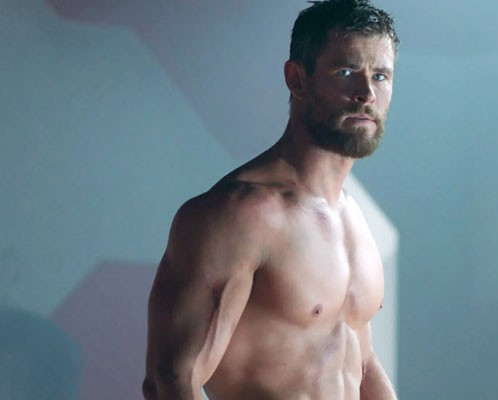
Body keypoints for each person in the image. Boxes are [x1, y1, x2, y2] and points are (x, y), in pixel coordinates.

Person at [142, 0, 399, 399]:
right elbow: (171, 381)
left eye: (380, 76)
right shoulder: (240, 215)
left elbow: (357, 359)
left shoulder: (353, 218)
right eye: (346, 72)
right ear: (297, 79)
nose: (366, 93)